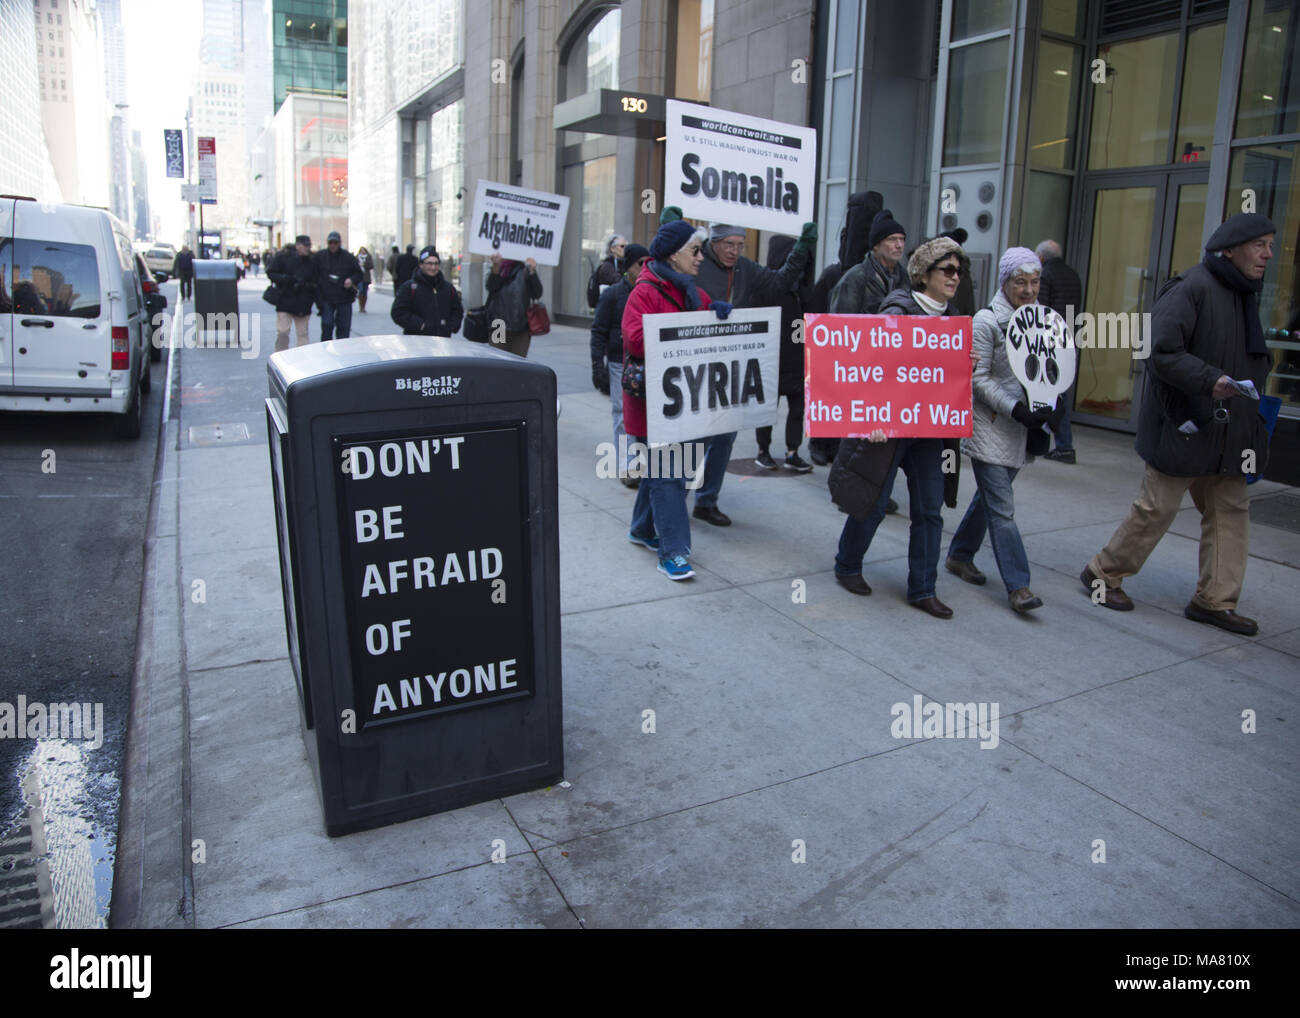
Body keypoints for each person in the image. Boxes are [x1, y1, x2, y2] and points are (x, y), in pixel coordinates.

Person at [1081, 213, 1275, 636]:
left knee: (1230, 512)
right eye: (1259, 244)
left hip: (1231, 431)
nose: (1268, 254)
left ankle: (1214, 601)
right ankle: (1102, 572)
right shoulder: (1192, 287)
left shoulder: (1245, 293)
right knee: (1157, 508)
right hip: (1185, 423)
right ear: (1230, 248)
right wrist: (1212, 381)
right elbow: (1158, 351)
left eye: (1270, 245)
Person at [828, 236, 974, 619]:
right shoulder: (897, 310)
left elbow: (942, 379)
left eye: (959, 271)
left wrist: (965, 367)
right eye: (948, 270)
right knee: (873, 503)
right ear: (924, 274)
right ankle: (847, 564)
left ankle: (923, 588)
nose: (955, 277)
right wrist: (872, 416)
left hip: (927, 430)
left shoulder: (953, 318)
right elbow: (867, 366)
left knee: (930, 509)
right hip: (890, 427)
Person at [677, 213, 817, 525]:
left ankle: (707, 501)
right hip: (695, 363)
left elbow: (780, 282)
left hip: (730, 366)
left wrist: (802, 249)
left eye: (740, 245)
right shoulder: (698, 263)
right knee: (694, 438)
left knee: (724, 437)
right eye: (729, 244)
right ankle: (676, 499)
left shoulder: (746, 268)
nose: (734, 250)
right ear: (714, 243)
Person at [946, 247, 1058, 614]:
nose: (1029, 289)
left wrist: (1045, 408)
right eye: (1020, 282)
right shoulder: (986, 320)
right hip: (989, 426)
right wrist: (1016, 409)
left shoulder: (1040, 320)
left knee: (991, 499)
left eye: (1035, 281)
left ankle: (960, 555)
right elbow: (977, 380)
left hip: (1020, 428)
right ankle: (1019, 586)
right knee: (1003, 510)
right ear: (1005, 282)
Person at [623, 221, 727, 580]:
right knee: (669, 475)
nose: (701, 257)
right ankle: (674, 552)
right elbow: (634, 340)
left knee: (664, 471)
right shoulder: (645, 291)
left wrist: (718, 312)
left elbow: (705, 312)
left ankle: (641, 528)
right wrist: (676, 334)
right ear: (674, 254)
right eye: (695, 250)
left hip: (684, 399)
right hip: (655, 405)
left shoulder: (689, 290)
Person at [827, 208, 912, 514]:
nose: (899, 245)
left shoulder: (905, 279)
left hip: (892, 375)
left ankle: (876, 490)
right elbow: (839, 330)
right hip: (860, 373)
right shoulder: (856, 279)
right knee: (858, 442)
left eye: (902, 239)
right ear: (876, 245)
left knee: (884, 441)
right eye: (892, 239)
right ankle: (849, 492)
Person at [807, 190, 884, 467]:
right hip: (833, 342)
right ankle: (820, 441)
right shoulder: (836, 274)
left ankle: (837, 446)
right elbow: (814, 308)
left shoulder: (881, 271)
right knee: (829, 391)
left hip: (864, 349)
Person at [590, 242, 651, 488]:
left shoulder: (649, 292)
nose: (645, 268)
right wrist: (597, 364)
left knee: (641, 416)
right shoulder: (613, 295)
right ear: (628, 267)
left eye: (649, 263)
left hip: (646, 362)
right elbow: (599, 331)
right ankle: (628, 464)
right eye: (640, 264)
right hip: (619, 362)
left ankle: (642, 461)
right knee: (622, 414)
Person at [754, 235, 815, 472]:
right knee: (767, 410)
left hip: (798, 359)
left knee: (797, 408)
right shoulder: (767, 288)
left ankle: (792, 452)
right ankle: (763, 450)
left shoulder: (802, 291)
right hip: (772, 359)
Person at [1036, 239, 1084, 464]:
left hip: (1051, 339)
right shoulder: (1073, 275)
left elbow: (1042, 310)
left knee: (1052, 392)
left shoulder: (1045, 275)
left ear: (1042, 258)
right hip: (1069, 338)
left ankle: (1063, 445)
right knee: (1059, 389)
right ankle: (1060, 444)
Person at [390, 246, 464, 337]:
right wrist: (420, 325)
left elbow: (457, 310)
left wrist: (451, 326)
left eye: (436, 263)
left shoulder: (448, 288)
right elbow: (398, 312)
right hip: (417, 342)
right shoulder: (409, 288)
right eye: (429, 263)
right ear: (421, 265)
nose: (433, 267)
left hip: (443, 342)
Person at [484, 253, 542, 357]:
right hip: (499, 326)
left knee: (518, 365)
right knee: (498, 363)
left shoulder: (525, 270)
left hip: (520, 327)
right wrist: (496, 268)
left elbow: (537, 293)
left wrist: (532, 272)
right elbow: (490, 286)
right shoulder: (496, 269)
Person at [267, 235, 317, 352]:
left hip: (304, 301)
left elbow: (317, 279)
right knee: (283, 332)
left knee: (302, 334)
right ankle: (280, 357)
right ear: (297, 245)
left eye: (309, 246)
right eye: (305, 246)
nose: (307, 248)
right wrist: (287, 279)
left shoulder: (312, 260)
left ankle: (302, 361)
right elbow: (271, 273)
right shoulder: (284, 257)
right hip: (285, 299)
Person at [313, 230, 364, 341]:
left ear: (339, 243)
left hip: (344, 297)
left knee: (344, 329)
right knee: (327, 325)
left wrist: (351, 280)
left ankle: (343, 352)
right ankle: (325, 351)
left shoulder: (348, 257)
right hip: (326, 297)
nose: (332, 245)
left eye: (335, 243)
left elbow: (359, 274)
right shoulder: (320, 257)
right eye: (330, 242)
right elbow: (313, 275)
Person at [590, 234, 626, 307]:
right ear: (612, 248)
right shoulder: (607, 266)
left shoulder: (622, 264)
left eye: (626, 246)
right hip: (608, 309)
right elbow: (621, 283)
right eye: (622, 246)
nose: (625, 249)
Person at [357, 246, 373, 312]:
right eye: (361, 250)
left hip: (366, 278)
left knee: (365, 292)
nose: (362, 251)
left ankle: (363, 306)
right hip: (359, 277)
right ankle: (361, 307)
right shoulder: (357, 257)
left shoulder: (368, 257)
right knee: (360, 291)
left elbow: (371, 265)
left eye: (364, 250)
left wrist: (364, 265)